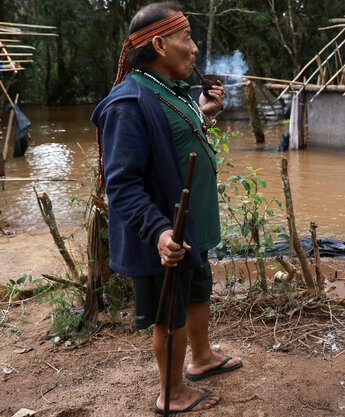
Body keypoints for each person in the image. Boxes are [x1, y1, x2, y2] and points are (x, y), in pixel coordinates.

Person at [90, 2, 241, 413]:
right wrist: (159, 232)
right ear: (159, 43)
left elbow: (173, 144)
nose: (195, 48)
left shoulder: (170, 92)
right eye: (187, 37)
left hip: (189, 228)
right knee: (169, 311)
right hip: (164, 234)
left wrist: (204, 115)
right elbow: (120, 184)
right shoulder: (128, 103)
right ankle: (171, 393)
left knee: (197, 288)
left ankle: (202, 358)